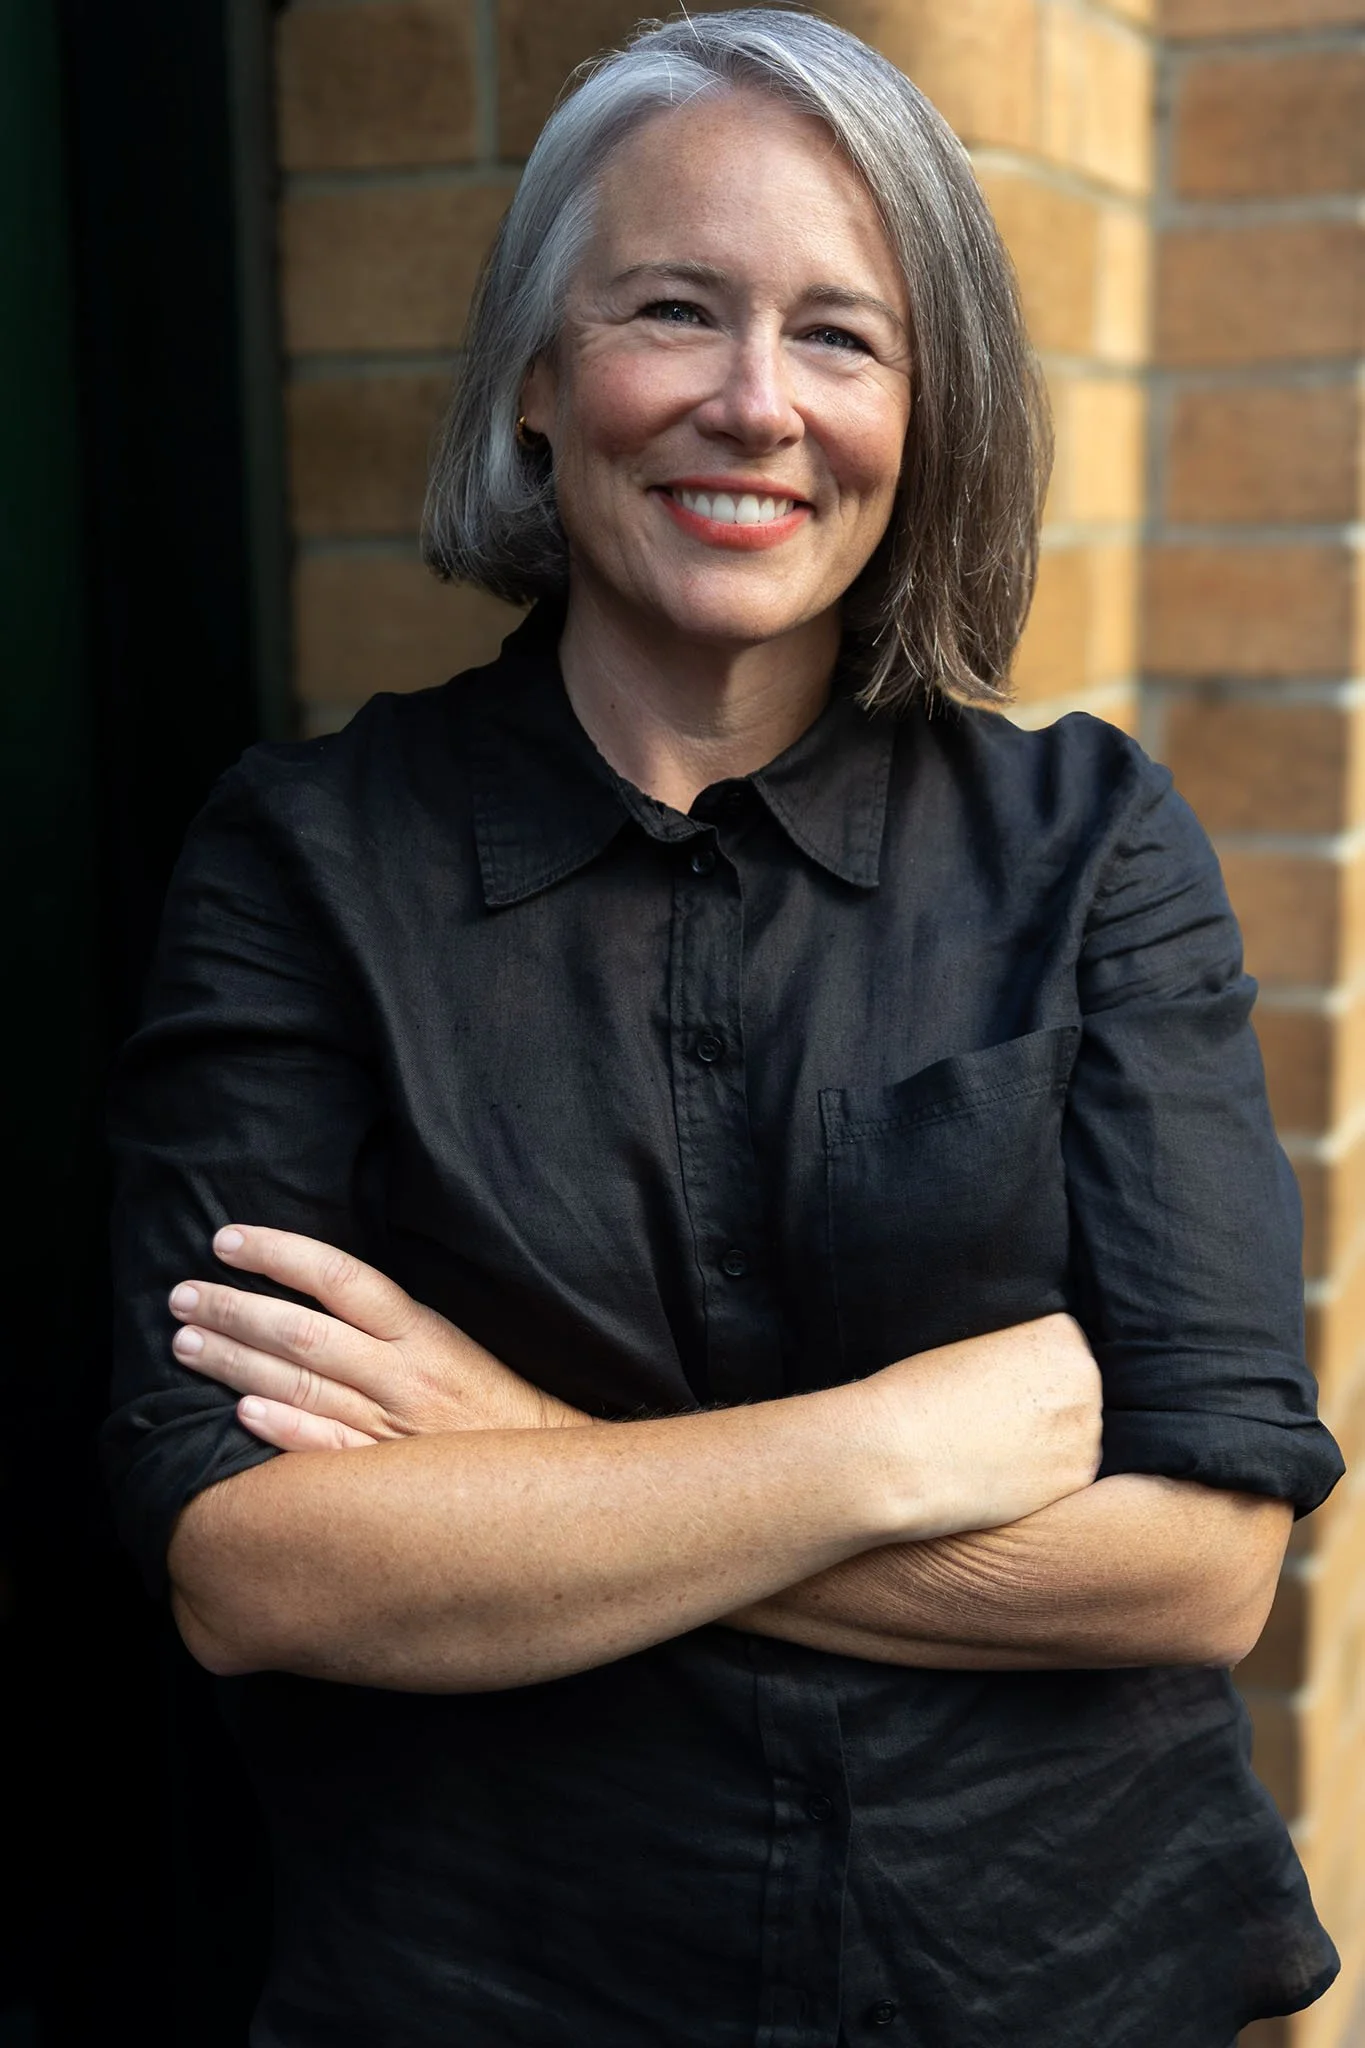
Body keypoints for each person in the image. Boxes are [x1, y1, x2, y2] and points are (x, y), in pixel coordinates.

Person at [105, 12, 1345, 2045]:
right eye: (674, 310)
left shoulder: (1090, 846)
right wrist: (896, 1451)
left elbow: (1199, 1566)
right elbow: (249, 1565)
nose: (756, 404)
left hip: (1051, 1977)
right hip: (497, 1982)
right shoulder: (307, 862)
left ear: (926, 413)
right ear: (537, 373)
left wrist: (526, 1461)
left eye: (841, 337)